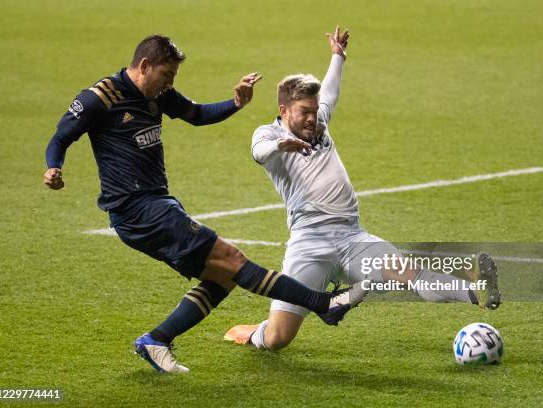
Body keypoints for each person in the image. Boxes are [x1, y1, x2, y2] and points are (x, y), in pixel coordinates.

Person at [43, 34, 366, 374]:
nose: (170, 83)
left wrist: (236, 103)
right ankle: (324, 303)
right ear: (144, 66)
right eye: (167, 75)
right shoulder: (101, 97)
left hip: (158, 203)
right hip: (136, 209)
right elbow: (61, 137)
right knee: (233, 259)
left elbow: (196, 114)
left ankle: (156, 340)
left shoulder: (158, 94)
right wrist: (54, 167)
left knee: (223, 278)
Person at [224, 26, 501, 351]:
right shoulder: (268, 135)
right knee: (278, 339)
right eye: (304, 113)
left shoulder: (320, 124)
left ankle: (477, 290)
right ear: (284, 112)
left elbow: (329, 93)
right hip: (309, 245)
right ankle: (257, 332)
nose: (312, 118)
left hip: (353, 238)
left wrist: (337, 57)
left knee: (411, 274)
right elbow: (258, 153)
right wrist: (280, 147)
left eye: (313, 112)